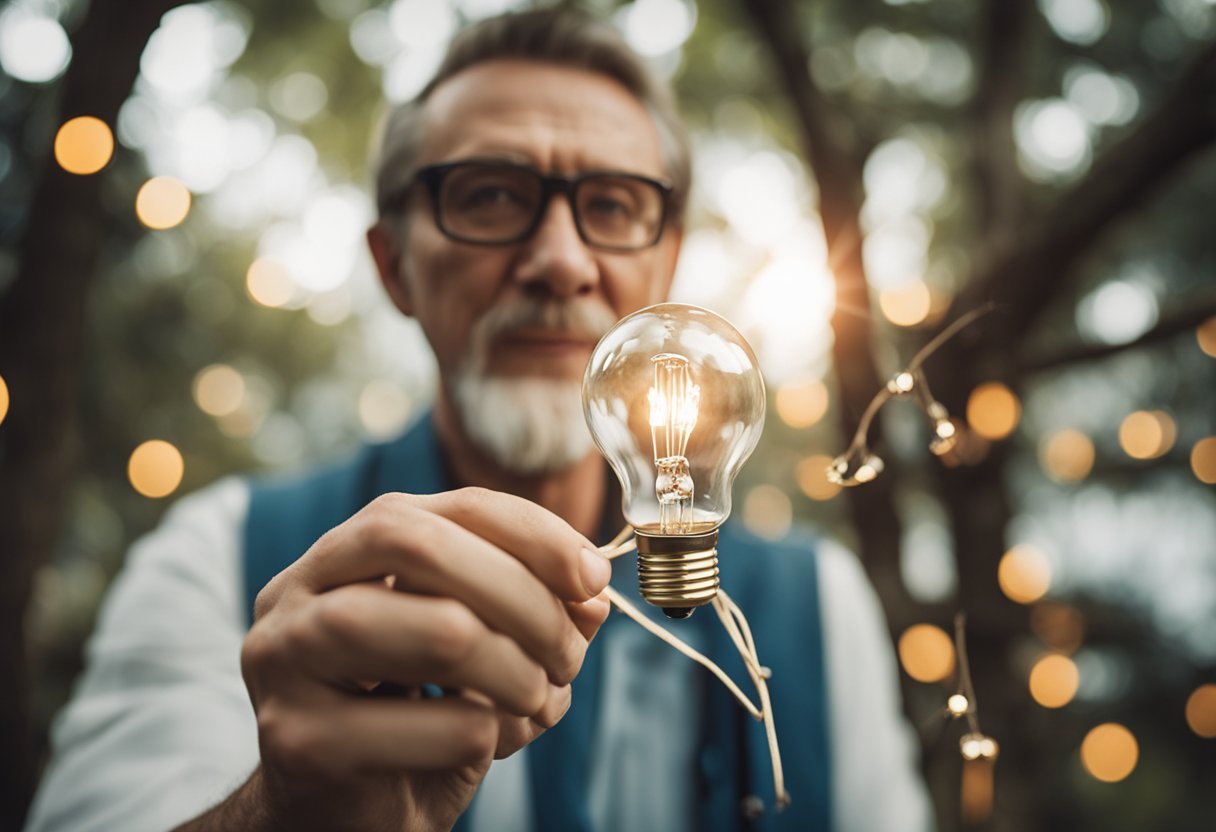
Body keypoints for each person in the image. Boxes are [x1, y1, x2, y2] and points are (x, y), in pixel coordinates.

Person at [25, 9, 932, 832]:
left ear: (664, 268)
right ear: (394, 266)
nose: (561, 260)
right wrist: (285, 818)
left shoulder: (820, 609)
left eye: (613, 206)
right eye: (491, 195)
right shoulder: (216, 557)